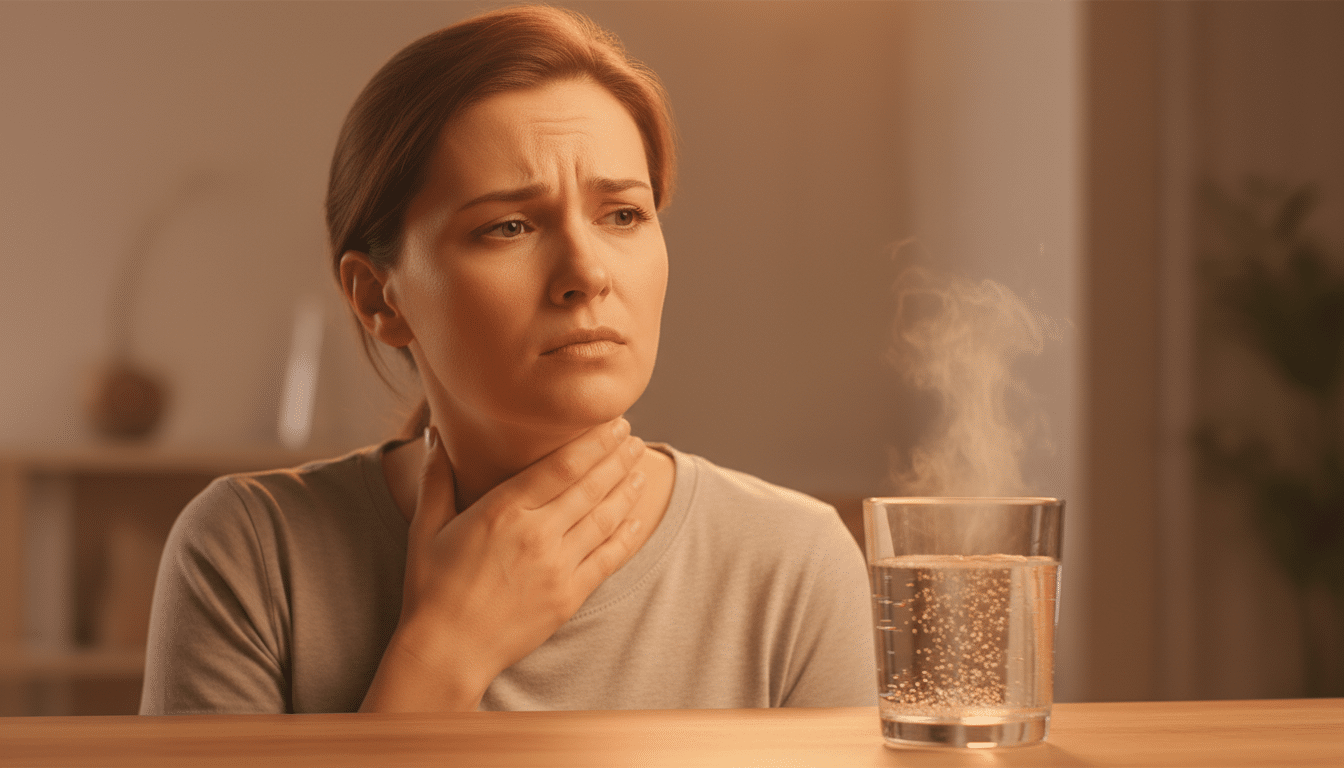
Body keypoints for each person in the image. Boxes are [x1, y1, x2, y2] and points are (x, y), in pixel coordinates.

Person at [140, 4, 873, 714]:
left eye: (622, 214)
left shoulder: (794, 565)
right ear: (378, 299)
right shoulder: (251, 551)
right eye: (509, 226)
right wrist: (440, 654)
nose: (587, 274)